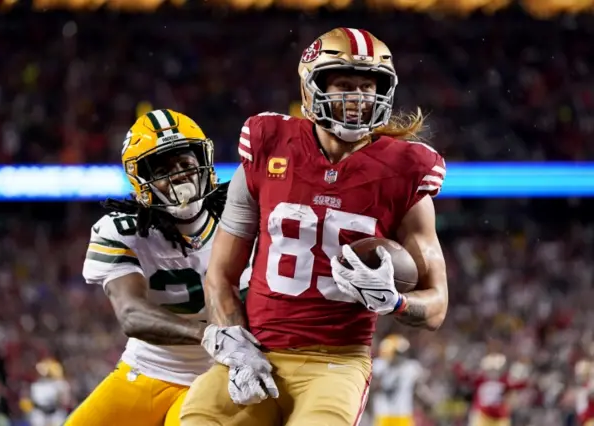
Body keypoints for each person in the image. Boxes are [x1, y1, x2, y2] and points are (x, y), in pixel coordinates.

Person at [180, 27, 449, 426]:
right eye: (344, 84)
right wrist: (236, 344)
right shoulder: (268, 147)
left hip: (336, 363)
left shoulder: (405, 170)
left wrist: (395, 301)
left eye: (367, 87)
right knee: (197, 417)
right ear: (311, 87)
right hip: (259, 349)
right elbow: (220, 274)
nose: (357, 99)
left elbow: (437, 305)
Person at [65, 109, 233, 426]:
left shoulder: (241, 217)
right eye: (164, 169)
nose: (180, 175)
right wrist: (209, 334)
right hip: (149, 368)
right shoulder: (124, 229)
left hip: (221, 372)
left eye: (185, 163)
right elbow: (131, 314)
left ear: (203, 161)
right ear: (141, 180)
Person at [370, 335, 434, 426]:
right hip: (384, 415)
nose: (401, 356)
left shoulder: (410, 367)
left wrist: (427, 399)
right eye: (399, 353)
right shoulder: (379, 366)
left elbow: (419, 388)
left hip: (402, 415)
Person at [20, 358, 72, 426]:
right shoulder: (35, 385)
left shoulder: (59, 384)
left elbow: (65, 401)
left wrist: (61, 395)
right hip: (40, 413)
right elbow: (27, 401)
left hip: (55, 412)